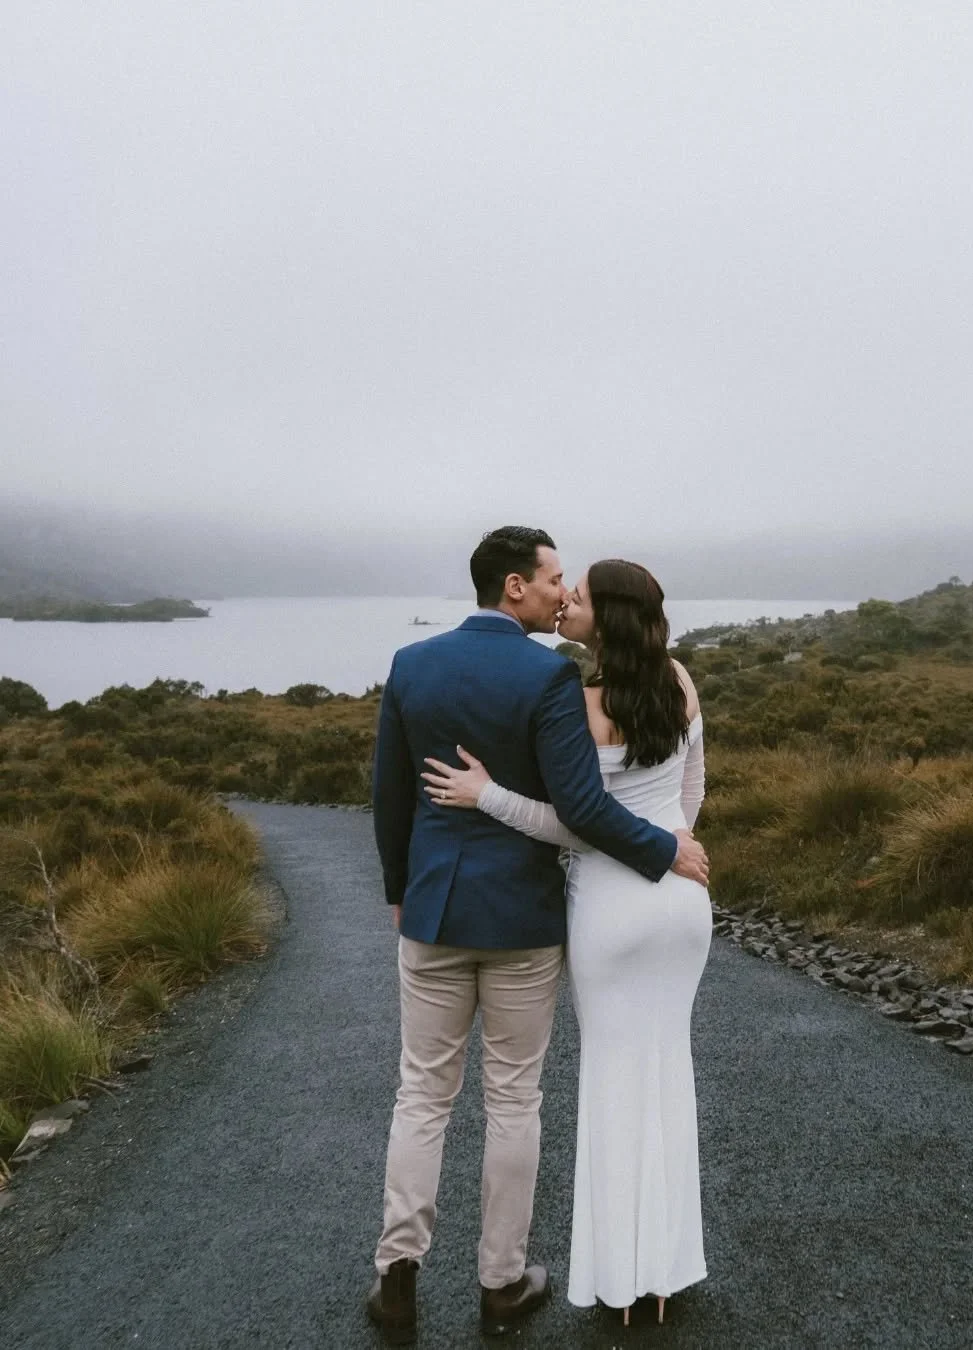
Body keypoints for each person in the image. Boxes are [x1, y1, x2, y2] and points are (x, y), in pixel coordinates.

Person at [367, 528, 709, 1345]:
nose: (563, 594)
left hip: (437, 911)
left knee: (422, 1095)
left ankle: (398, 1279)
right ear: (516, 586)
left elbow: (390, 797)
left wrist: (398, 893)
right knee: (516, 1098)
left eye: (573, 586)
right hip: (530, 918)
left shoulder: (413, 666)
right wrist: (668, 847)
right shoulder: (557, 676)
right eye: (557, 579)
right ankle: (501, 1283)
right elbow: (628, 800)